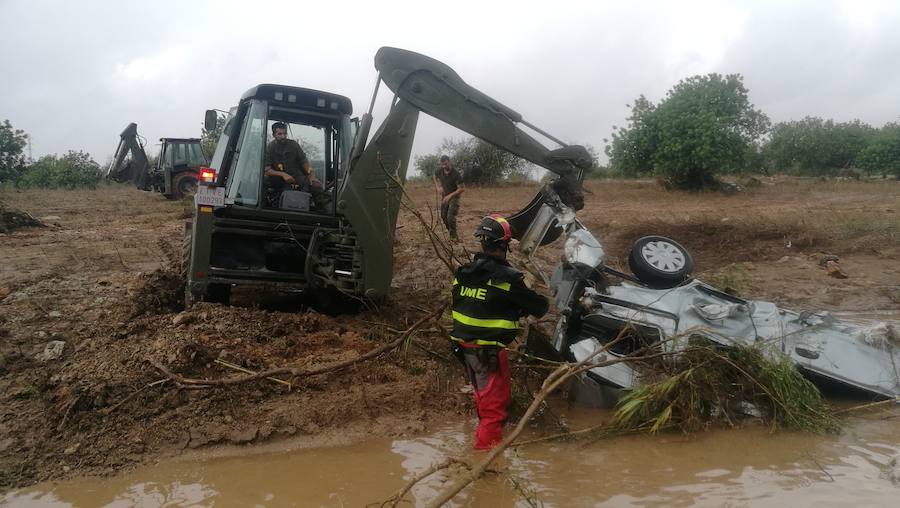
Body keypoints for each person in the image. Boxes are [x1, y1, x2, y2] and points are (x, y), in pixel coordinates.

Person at [449, 214, 549, 449]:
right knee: (494, 412)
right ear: (504, 244)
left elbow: (472, 306)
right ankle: (486, 465)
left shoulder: (462, 274)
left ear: (483, 242)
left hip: (464, 349)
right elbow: (541, 307)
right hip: (488, 353)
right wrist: (519, 307)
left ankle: (482, 439)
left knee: (485, 400)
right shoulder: (509, 278)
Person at [264, 122, 330, 209]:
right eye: (280, 134)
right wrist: (283, 175)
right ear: (274, 135)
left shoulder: (293, 145)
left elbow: (304, 162)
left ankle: (324, 209)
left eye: (285, 133)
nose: (283, 136)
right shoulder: (270, 148)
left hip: (296, 176)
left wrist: (311, 175)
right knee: (263, 181)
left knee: (316, 185)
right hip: (278, 178)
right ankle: (266, 207)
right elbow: (267, 170)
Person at [432, 155, 465, 240]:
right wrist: (437, 187)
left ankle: (454, 237)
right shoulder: (439, 170)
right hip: (445, 197)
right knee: (443, 216)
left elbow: (462, 188)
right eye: (442, 164)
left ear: (449, 162)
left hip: (454, 197)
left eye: (446, 164)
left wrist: (450, 196)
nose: (444, 166)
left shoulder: (456, 174)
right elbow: (434, 176)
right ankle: (451, 231)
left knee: (450, 217)